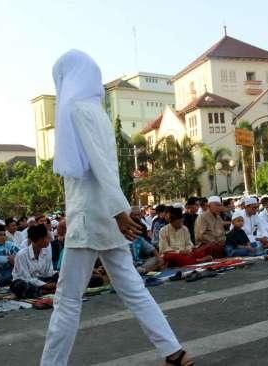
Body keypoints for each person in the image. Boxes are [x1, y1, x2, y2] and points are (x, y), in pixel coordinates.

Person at [41, 50, 191, 366]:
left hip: (93, 217)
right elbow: (93, 171)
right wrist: (116, 210)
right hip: (104, 217)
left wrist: (119, 211)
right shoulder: (98, 112)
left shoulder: (75, 110)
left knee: (67, 301)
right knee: (134, 289)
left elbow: (95, 167)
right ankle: (173, 350)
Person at [10, 224, 58, 299]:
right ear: (40, 239)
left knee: (60, 275)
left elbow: (48, 272)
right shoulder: (22, 255)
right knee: (19, 286)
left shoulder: (47, 249)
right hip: (26, 281)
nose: (49, 240)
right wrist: (44, 285)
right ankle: (46, 291)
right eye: (47, 238)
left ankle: (42, 290)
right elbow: (26, 278)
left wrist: (54, 278)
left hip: (42, 279)